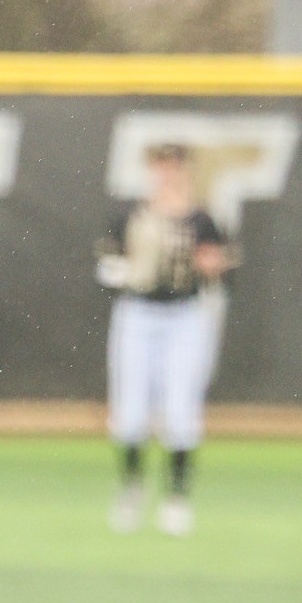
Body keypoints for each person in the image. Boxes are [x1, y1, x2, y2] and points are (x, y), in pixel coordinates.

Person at [97, 142, 231, 537]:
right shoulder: (131, 214)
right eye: (162, 168)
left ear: (185, 172)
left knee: (180, 409)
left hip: (185, 315)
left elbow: (219, 273)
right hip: (138, 312)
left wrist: (211, 266)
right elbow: (108, 266)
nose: (168, 176)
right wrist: (122, 270)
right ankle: (131, 489)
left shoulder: (202, 220)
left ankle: (176, 499)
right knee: (131, 409)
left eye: (175, 168)